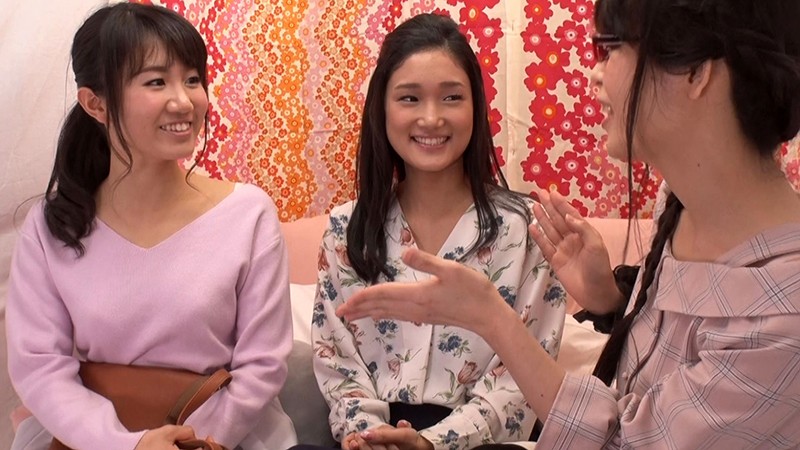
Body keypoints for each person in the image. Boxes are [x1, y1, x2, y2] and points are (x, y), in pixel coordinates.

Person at [338, 0, 800, 448]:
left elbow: (626, 440)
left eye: (611, 48)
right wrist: (612, 300)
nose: (595, 74)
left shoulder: (784, 318)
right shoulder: (680, 206)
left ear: (696, 72)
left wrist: (490, 318)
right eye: (409, 97)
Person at [6, 4, 297, 449]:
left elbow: (263, 364)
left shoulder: (249, 215)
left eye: (193, 79)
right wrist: (127, 445)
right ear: (96, 104)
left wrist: (193, 443)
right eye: (156, 81)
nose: (184, 101)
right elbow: (40, 365)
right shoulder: (52, 225)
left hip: (224, 438)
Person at [305, 13, 566, 450]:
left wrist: (433, 443)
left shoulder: (526, 230)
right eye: (409, 98)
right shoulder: (345, 231)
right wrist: (369, 437)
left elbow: (521, 382)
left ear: (475, 106)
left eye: (451, 98)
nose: (431, 118)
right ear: (382, 108)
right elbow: (338, 365)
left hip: (482, 443)